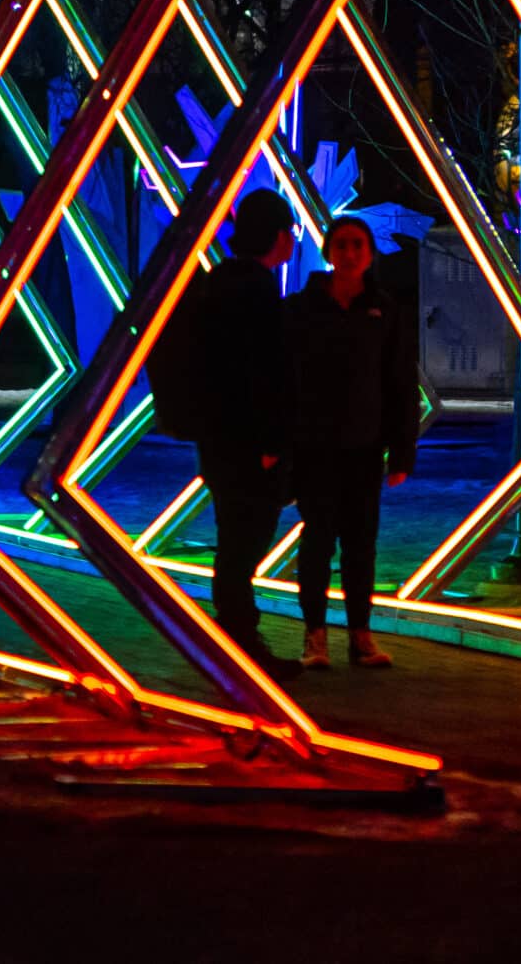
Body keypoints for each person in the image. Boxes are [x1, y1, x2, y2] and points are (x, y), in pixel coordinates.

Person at [284, 216, 418, 670]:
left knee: (361, 543)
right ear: (327, 251)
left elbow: (399, 381)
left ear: (370, 253)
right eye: (341, 244)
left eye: (358, 244)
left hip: (364, 448)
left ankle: (360, 634)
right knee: (318, 540)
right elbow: (284, 381)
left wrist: (401, 452)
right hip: (313, 446)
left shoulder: (384, 308)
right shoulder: (302, 309)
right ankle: (315, 635)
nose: (350, 252)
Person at [190, 189, 303, 679]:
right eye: (291, 233)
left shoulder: (219, 284)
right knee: (242, 545)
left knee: (232, 542)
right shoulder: (254, 291)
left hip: (218, 441)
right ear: (278, 236)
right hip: (247, 447)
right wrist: (270, 445)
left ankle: (235, 642)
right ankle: (238, 648)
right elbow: (261, 376)